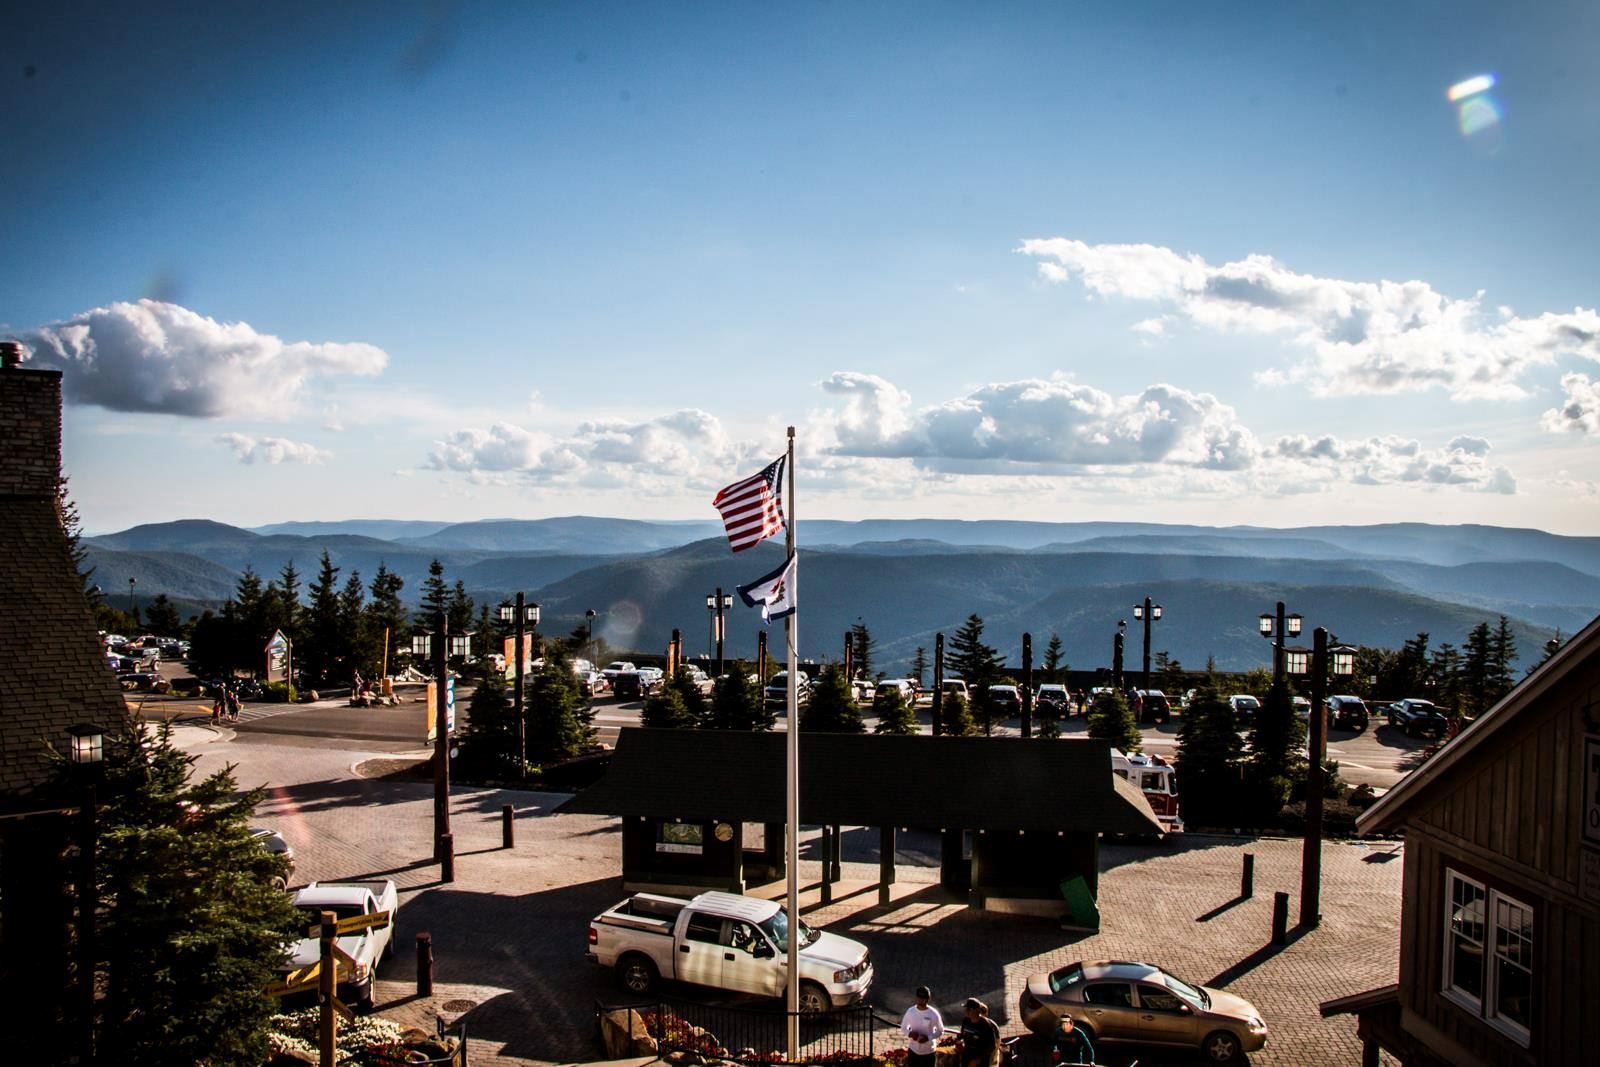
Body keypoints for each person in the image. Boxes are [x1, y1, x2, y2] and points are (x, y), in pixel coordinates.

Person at [900, 986, 944, 1067]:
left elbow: (940, 1030)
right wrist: (910, 1034)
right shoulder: (910, 1011)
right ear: (916, 997)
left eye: (923, 998)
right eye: (919, 997)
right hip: (913, 1051)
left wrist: (928, 1038)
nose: (921, 999)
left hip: (929, 1053)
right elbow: (903, 1027)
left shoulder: (933, 1014)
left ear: (928, 999)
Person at [957, 998, 999, 1067]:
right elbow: (962, 1035)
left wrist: (977, 1060)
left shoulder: (986, 1025)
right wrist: (960, 1041)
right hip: (967, 1056)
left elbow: (992, 1046)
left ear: (975, 1010)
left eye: (968, 1009)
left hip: (980, 1061)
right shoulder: (966, 1020)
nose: (965, 1011)